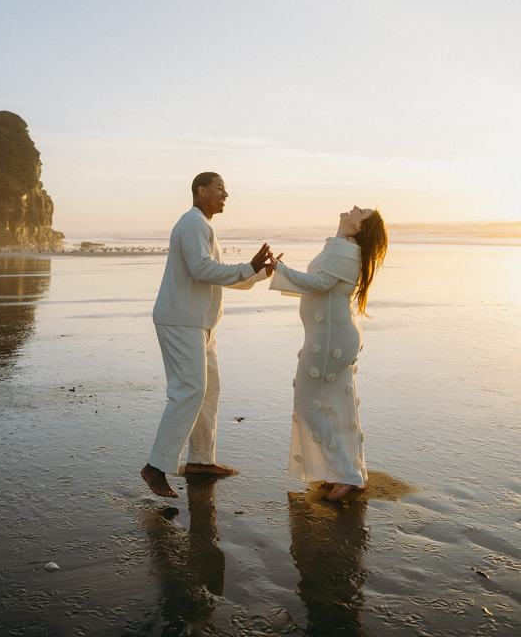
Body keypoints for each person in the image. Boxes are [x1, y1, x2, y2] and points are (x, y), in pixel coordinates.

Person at [141, 172, 273, 498]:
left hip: (202, 325)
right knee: (190, 391)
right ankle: (155, 466)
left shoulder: (203, 225)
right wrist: (247, 267)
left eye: (225, 190)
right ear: (201, 191)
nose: (226, 195)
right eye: (219, 189)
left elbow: (218, 277)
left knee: (209, 390)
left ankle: (200, 460)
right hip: (181, 321)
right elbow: (202, 269)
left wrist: (258, 273)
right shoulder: (192, 224)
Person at [268, 206, 387, 500]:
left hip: (330, 340)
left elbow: (319, 283)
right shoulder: (340, 247)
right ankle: (344, 472)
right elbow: (321, 285)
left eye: (361, 213)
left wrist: (279, 269)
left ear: (358, 228)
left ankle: (345, 474)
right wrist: (281, 272)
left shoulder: (344, 251)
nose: (354, 208)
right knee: (335, 405)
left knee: (310, 402)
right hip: (332, 337)